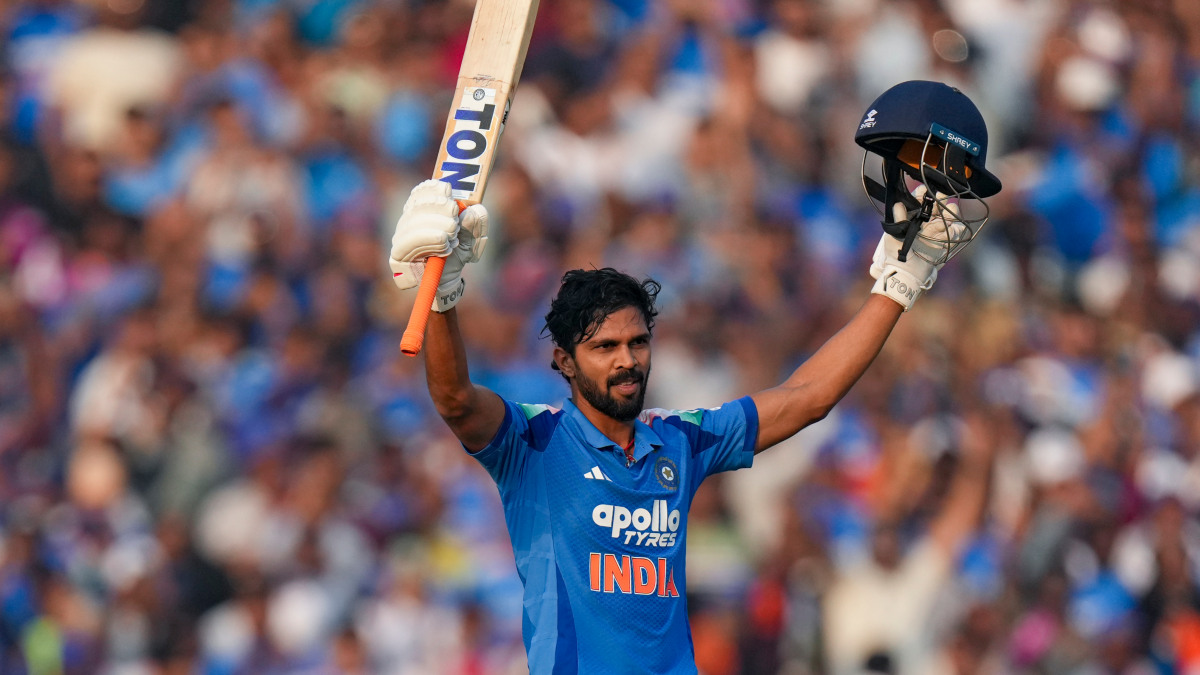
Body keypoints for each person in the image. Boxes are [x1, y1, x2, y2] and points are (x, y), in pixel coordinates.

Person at [387, 80, 1001, 673]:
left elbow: (808, 397)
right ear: (565, 363)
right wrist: (441, 296)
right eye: (604, 348)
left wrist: (898, 283)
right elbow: (455, 400)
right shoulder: (536, 444)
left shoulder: (679, 439)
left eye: (637, 343)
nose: (626, 360)